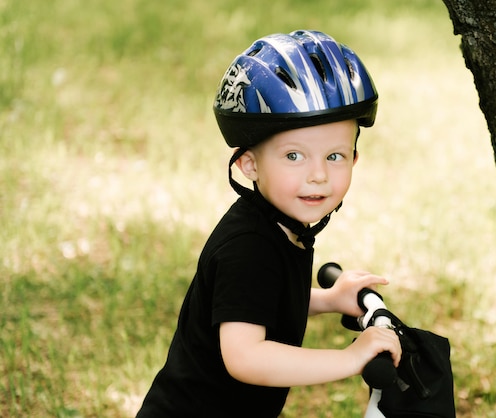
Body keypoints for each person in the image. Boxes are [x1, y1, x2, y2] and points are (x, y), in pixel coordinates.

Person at [136, 29, 401, 417]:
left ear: (355, 160)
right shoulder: (248, 247)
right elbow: (245, 356)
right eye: (294, 156)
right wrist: (350, 358)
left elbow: (259, 301)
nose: (318, 175)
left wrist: (328, 300)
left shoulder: (278, 227)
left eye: (335, 156)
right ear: (248, 164)